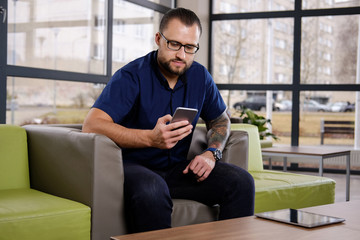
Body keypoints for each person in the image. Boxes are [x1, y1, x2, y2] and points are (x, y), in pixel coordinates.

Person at [83, 7, 255, 233]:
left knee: (241, 182)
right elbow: (92, 125)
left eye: (190, 47)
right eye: (174, 44)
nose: (181, 55)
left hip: (177, 170)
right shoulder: (131, 76)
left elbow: (220, 120)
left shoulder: (200, 77)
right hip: (133, 168)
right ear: (158, 39)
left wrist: (211, 153)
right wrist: (149, 138)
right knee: (153, 188)